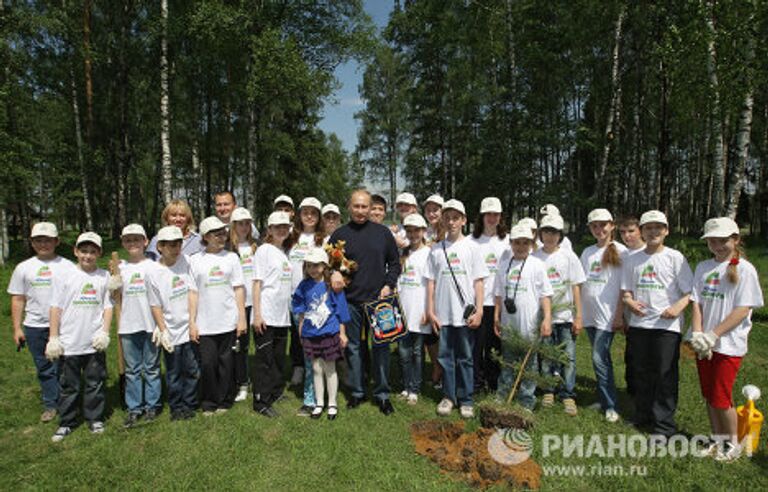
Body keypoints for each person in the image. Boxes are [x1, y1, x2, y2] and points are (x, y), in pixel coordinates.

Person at [690, 217, 764, 461]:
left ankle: (732, 444)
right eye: (712, 241)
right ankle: (717, 438)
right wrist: (699, 334)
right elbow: (697, 303)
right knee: (709, 395)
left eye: (723, 240)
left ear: (735, 240)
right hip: (705, 344)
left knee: (722, 398)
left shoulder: (745, 269)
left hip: (728, 345)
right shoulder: (702, 267)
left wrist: (714, 335)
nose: (717, 245)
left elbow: (742, 309)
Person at [621, 210, 692, 439]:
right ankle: (643, 415)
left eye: (658, 228)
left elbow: (690, 293)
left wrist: (677, 308)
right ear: (642, 231)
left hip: (666, 327)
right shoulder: (633, 259)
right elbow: (626, 292)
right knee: (641, 372)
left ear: (666, 231)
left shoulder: (675, 258)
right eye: (648, 228)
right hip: (640, 325)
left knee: (664, 375)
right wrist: (630, 303)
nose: (653, 232)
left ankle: (664, 426)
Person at [329, 190, 401, 415]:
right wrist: (333, 273)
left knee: (381, 348)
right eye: (356, 206)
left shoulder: (383, 233)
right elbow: (331, 266)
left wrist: (389, 284)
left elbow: (395, 263)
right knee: (353, 348)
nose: (361, 211)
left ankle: (382, 394)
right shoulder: (339, 235)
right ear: (349, 207)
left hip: (380, 301)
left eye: (365, 207)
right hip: (350, 301)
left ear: (371, 208)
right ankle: (357, 392)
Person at [45, 232, 113, 442]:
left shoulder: (104, 276)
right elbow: (55, 307)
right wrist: (53, 337)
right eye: (84, 251)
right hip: (69, 342)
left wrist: (104, 332)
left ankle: (95, 418)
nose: (88, 256)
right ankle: (67, 421)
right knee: (69, 385)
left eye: (93, 252)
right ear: (76, 251)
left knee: (95, 382)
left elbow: (108, 306)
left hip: (93, 342)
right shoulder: (65, 276)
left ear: (99, 253)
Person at [426, 199, 488, 419]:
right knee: (445, 357)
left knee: (466, 357)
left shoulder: (472, 247)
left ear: (464, 220)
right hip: (443, 314)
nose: (451, 222)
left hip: (465, 315)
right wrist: (431, 311)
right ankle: (448, 396)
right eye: (448, 218)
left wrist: (479, 310)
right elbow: (431, 282)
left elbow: (479, 282)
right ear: (443, 220)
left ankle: (466, 398)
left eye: (456, 218)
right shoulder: (435, 249)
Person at [8, 222, 74, 423]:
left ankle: (68, 402)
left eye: (47, 240)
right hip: (35, 326)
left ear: (56, 241)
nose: (43, 244)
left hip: (64, 325)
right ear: (32, 242)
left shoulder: (68, 266)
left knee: (65, 366)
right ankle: (51, 404)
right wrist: (17, 327)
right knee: (44, 367)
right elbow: (18, 299)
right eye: (38, 240)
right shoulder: (24, 268)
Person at [188, 216, 247, 415]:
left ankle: (224, 400)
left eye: (223, 233)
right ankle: (209, 401)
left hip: (228, 320)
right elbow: (193, 292)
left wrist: (241, 318)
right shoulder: (195, 260)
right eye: (216, 234)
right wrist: (192, 322)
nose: (221, 237)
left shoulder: (231, 257)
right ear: (205, 236)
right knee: (207, 363)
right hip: (205, 322)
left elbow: (238, 288)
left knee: (226, 362)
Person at [494, 225, 553, 411]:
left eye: (525, 243)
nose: (520, 247)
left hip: (529, 325)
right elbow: (498, 295)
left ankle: (526, 400)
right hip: (509, 325)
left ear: (531, 244)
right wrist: (496, 316)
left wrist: (547, 318)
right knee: (508, 363)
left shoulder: (537, 265)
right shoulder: (503, 266)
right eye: (517, 243)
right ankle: (503, 394)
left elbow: (545, 294)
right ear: (511, 243)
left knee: (530, 365)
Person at [533, 214, 585, 416]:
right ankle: (548, 389)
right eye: (546, 231)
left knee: (568, 357)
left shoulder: (568, 256)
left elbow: (576, 287)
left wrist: (578, 315)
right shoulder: (535, 257)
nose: (550, 236)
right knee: (546, 355)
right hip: (544, 316)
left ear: (560, 235)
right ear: (540, 234)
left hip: (564, 316)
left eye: (554, 232)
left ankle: (568, 394)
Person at [146, 225, 199, 421]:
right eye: (170, 245)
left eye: (178, 244)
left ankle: (190, 403)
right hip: (171, 329)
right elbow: (155, 304)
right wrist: (163, 330)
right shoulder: (153, 272)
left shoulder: (186, 262)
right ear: (160, 247)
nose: (175, 249)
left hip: (189, 327)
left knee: (192, 369)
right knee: (174, 372)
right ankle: (176, 406)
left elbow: (193, 291)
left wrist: (193, 321)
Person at [580, 209, 627, 422]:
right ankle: (603, 397)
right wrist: (578, 313)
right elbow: (581, 284)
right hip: (589, 314)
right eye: (594, 226)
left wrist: (619, 315)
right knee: (601, 359)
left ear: (612, 225)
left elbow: (624, 287)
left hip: (608, 316)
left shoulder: (622, 251)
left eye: (603, 225)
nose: (599, 229)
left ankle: (611, 405)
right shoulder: (587, 252)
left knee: (599, 358)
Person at [113, 224, 162, 428]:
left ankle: (153, 405)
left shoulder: (154, 267)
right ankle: (134, 407)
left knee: (151, 367)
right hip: (127, 325)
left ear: (145, 241)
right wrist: (113, 283)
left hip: (150, 324)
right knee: (133, 369)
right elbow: (114, 298)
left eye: (136, 239)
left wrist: (161, 325)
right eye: (128, 240)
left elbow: (161, 296)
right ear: (123, 243)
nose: (132, 243)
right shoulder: (119, 268)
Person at [293, 248, 350, 420]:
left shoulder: (331, 286)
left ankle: (332, 403)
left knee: (330, 368)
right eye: (309, 266)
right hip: (311, 333)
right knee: (316, 368)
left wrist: (342, 333)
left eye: (316, 266)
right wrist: (301, 329)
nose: (312, 269)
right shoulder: (303, 286)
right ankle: (319, 403)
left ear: (324, 266)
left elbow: (341, 311)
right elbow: (300, 309)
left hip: (329, 332)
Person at [251, 211, 294, 418]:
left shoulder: (283, 252)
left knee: (278, 358)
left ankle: (275, 392)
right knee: (264, 359)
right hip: (266, 313)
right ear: (269, 229)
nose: (281, 230)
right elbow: (257, 283)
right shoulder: (264, 250)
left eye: (285, 226)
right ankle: (260, 400)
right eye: (277, 227)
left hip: (281, 315)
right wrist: (257, 314)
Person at [288, 197, 325, 415]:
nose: (309, 216)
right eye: (305, 212)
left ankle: (311, 398)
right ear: (299, 214)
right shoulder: (291, 237)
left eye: (314, 212)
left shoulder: (325, 239)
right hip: (295, 300)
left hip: (317, 302)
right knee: (305, 350)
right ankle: (315, 392)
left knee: (314, 352)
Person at [469, 197, 509, 394]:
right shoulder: (471, 241)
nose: (492, 218)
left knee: (495, 346)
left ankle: (493, 383)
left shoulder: (508, 241)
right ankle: (476, 383)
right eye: (488, 214)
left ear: (500, 217)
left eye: (496, 214)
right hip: (477, 302)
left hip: (498, 301)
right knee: (476, 346)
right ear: (482, 216)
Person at [397, 214, 431, 405]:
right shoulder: (403, 253)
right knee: (403, 351)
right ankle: (405, 385)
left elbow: (430, 284)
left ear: (423, 231)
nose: (413, 234)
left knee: (417, 352)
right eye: (409, 230)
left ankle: (415, 388)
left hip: (420, 309)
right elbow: (398, 282)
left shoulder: (429, 253)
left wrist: (428, 309)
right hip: (404, 308)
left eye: (416, 230)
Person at [229, 207, 258, 402]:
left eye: (247, 223)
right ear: (233, 225)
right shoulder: (228, 248)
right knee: (239, 345)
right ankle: (241, 382)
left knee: (258, 344)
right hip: (236, 303)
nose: (244, 227)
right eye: (240, 223)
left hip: (255, 302)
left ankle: (257, 380)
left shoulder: (257, 246)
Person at [617, 215, 645, 397]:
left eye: (631, 231)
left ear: (640, 231)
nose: (627, 236)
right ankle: (633, 392)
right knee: (632, 355)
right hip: (631, 314)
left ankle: (645, 392)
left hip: (651, 315)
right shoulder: (623, 255)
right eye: (622, 232)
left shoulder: (648, 252)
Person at [421, 194, 444, 388]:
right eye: (428, 210)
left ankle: (445, 370)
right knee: (430, 333)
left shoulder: (448, 231)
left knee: (443, 331)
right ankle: (436, 366)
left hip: (444, 288)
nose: (432, 213)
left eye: (435, 209)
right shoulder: (424, 231)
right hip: (426, 285)